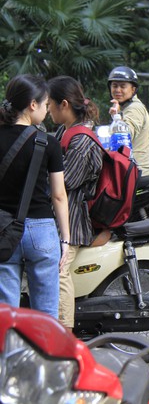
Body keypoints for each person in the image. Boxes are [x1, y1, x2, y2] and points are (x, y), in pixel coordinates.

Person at [0, 74, 70, 319]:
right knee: (46, 313)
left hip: (3, 230)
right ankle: (44, 355)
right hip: (41, 231)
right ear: (32, 105)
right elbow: (59, 196)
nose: (45, 109)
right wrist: (66, 239)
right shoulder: (48, 143)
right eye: (45, 103)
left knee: (6, 312)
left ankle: (8, 356)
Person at [48, 76, 104, 331]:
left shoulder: (81, 140)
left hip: (73, 220)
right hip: (62, 216)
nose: (47, 108)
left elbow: (64, 183)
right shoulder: (65, 130)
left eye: (49, 103)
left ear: (64, 104)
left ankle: (66, 333)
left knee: (59, 273)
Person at [107, 66, 149, 175]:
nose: (118, 90)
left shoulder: (134, 108)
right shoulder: (125, 107)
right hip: (129, 168)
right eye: (114, 86)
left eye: (123, 86)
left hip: (136, 171)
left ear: (133, 89)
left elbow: (125, 137)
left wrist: (117, 116)